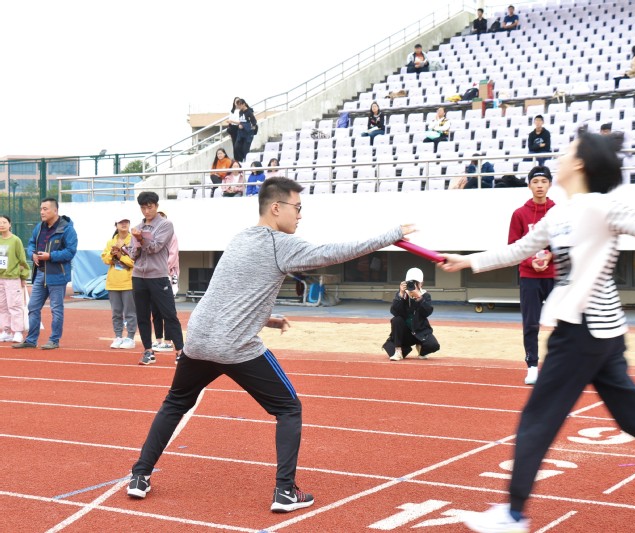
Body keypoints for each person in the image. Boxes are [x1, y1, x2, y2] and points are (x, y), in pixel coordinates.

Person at [440, 129, 635, 533]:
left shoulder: (600, 207)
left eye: (567, 153)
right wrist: (468, 261)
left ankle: (513, 515)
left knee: (538, 418)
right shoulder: (558, 215)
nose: (559, 159)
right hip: (603, 335)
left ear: (579, 164)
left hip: (582, 331)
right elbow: (520, 249)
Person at [125, 176, 414, 514]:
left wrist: (266, 318)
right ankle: (285, 491)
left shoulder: (240, 237)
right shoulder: (280, 244)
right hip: (234, 345)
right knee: (289, 408)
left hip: (199, 339)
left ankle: (139, 476)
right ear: (276, 207)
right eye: (297, 208)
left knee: (175, 403)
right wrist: (391, 235)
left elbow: (230, 295)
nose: (300, 215)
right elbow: (332, 253)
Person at [507, 166, 555, 385]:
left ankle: (559, 365)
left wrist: (550, 256)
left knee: (563, 322)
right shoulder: (519, 214)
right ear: (529, 185)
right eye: (535, 182)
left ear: (550, 184)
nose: (539, 186)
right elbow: (512, 246)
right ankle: (533, 366)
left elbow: (566, 243)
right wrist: (529, 261)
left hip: (554, 275)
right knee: (531, 324)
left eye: (543, 181)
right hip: (529, 277)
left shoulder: (558, 212)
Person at [12, 198, 77, 351]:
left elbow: (70, 252)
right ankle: (31, 340)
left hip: (57, 275)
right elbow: (31, 243)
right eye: (41, 209)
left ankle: (54, 340)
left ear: (55, 210)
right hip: (40, 274)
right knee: (33, 307)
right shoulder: (39, 227)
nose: (42, 212)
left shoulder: (67, 229)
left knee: (56, 309)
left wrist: (50, 256)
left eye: (45, 209)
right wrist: (32, 254)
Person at [130, 191, 184, 365]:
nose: (147, 211)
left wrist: (141, 240)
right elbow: (132, 255)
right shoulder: (137, 227)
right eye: (143, 208)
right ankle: (148, 351)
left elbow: (156, 247)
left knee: (169, 314)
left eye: (150, 207)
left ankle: (180, 351)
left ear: (156, 206)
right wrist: (134, 247)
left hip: (158, 275)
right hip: (138, 276)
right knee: (142, 315)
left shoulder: (165, 225)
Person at [382, 267, 440, 361]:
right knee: (396, 320)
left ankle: (420, 346)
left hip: (420, 331)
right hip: (405, 333)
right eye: (410, 282)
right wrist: (401, 294)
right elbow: (394, 312)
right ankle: (398, 350)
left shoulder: (425, 295)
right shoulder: (402, 295)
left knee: (433, 346)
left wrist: (419, 298)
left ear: (421, 283)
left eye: (416, 283)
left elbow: (427, 312)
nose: (413, 285)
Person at [102, 218, 137, 349]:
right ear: (116, 225)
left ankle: (130, 337)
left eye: (126, 222)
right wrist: (112, 254)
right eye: (121, 222)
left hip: (128, 282)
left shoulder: (134, 241)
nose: (124, 224)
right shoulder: (111, 242)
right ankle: (118, 336)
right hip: (113, 282)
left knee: (130, 312)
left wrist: (120, 256)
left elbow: (135, 261)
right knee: (116, 312)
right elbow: (105, 260)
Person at [150, 211, 180, 353]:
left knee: (168, 310)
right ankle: (158, 340)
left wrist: (162, 269)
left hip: (167, 275)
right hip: (153, 276)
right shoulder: (151, 235)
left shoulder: (172, 236)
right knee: (155, 309)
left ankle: (168, 341)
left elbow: (173, 256)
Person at [0, 215, 30, 344]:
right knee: (2, 306)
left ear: (10, 224)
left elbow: (22, 260)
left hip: (12, 278)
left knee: (15, 305)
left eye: (4, 222)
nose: (1, 224)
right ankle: (6, 331)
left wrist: (23, 276)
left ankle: (18, 332)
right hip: (0, 278)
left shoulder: (16, 240)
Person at [234, 98, 258, 163]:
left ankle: (246, 162)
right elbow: (241, 121)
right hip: (241, 133)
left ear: (244, 104)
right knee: (236, 147)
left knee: (245, 150)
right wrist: (239, 125)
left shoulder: (249, 112)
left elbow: (254, 123)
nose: (239, 107)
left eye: (240, 105)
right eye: (238, 105)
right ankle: (243, 159)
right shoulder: (240, 112)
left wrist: (244, 126)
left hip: (248, 134)